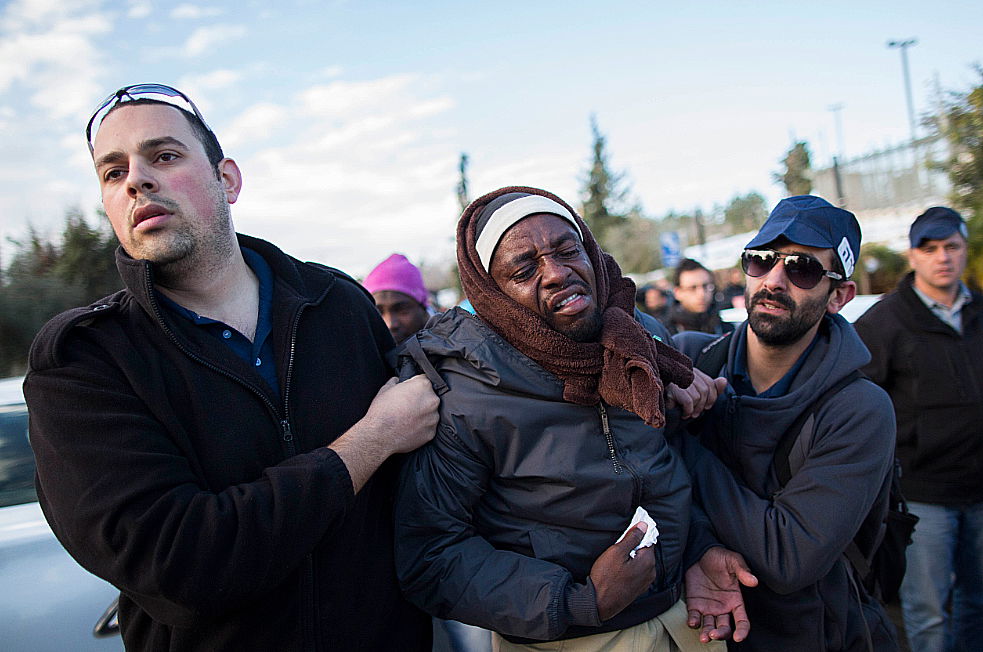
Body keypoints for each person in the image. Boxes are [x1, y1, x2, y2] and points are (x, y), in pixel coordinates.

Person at [22, 84, 439, 651]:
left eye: (164, 156)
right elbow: (182, 567)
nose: (137, 180)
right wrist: (374, 439)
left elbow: (427, 494)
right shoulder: (83, 360)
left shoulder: (337, 304)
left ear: (228, 180)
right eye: (113, 172)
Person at [394, 186, 757, 652]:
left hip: (686, 619)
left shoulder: (638, 339)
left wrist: (699, 548)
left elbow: (664, 466)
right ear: (491, 293)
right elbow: (431, 557)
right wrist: (579, 602)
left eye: (569, 250)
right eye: (524, 269)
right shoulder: (462, 393)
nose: (557, 273)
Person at [672, 195, 899, 651]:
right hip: (693, 630)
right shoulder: (688, 358)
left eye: (803, 269)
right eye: (761, 260)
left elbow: (787, 555)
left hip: (813, 634)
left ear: (839, 296)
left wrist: (674, 441)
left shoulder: (859, 409)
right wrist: (700, 546)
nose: (774, 280)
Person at [854, 206, 983, 652]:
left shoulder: (978, 311)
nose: (942, 257)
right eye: (930, 249)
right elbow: (859, 403)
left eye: (952, 247)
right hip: (925, 497)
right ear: (913, 255)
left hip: (980, 489)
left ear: (965, 250)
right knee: (928, 615)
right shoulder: (884, 322)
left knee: (978, 601)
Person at [362, 253, 432, 345]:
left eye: (403, 311)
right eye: (378, 313)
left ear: (423, 308)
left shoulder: (449, 351)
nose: (390, 324)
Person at [668, 258, 732, 335]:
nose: (701, 294)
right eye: (692, 288)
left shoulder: (726, 329)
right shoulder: (667, 335)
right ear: (677, 293)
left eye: (705, 286)